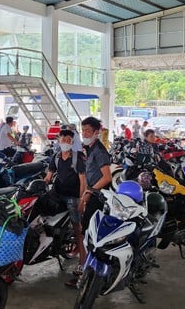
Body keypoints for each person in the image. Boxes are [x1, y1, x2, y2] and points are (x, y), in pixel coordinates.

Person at [66, 116, 111, 288]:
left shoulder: (99, 151)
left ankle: (87, 274)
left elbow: (106, 177)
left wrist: (88, 193)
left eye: (88, 131)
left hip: (97, 198)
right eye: (83, 130)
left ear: (96, 132)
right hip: (91, 195)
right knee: (86, 235)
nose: (84, 133)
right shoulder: (89, 149)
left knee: (88, 236)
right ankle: (86, 269)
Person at [44, 130, 86, 276]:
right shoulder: (55, 157)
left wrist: (81, 200)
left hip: (72, 198)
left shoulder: (77, 158)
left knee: (78, 230)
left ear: (72, 143)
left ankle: (82, 263)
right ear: (59, 140)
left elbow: (83, 180)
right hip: (57, 194)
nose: (66, 142)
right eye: (64, 139)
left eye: (69, 140)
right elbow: (48, 177)